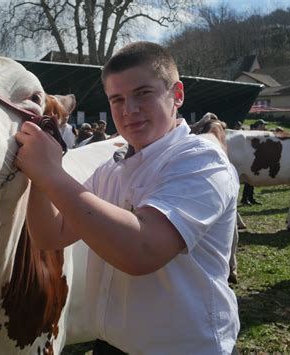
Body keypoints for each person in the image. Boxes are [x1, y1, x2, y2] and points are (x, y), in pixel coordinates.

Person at [15, 41, 239, 353]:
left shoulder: (202, 161)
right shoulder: (111, 170)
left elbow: (141, 250)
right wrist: (38, 177)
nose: (128, 110)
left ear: (177, 95)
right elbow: (50, 235)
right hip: (110, 345)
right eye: (116, 99)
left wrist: (51, 173)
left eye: (143, 93)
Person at [241, 121, 265, 205]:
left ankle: (250, 198)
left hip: (255, 158)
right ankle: (244, 199)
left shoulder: (258, 133)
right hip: (249, 158)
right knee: (249, 180)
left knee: (252, 180)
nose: (264, 126)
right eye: (263, 125)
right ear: (259, 125)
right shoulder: (251, 134)